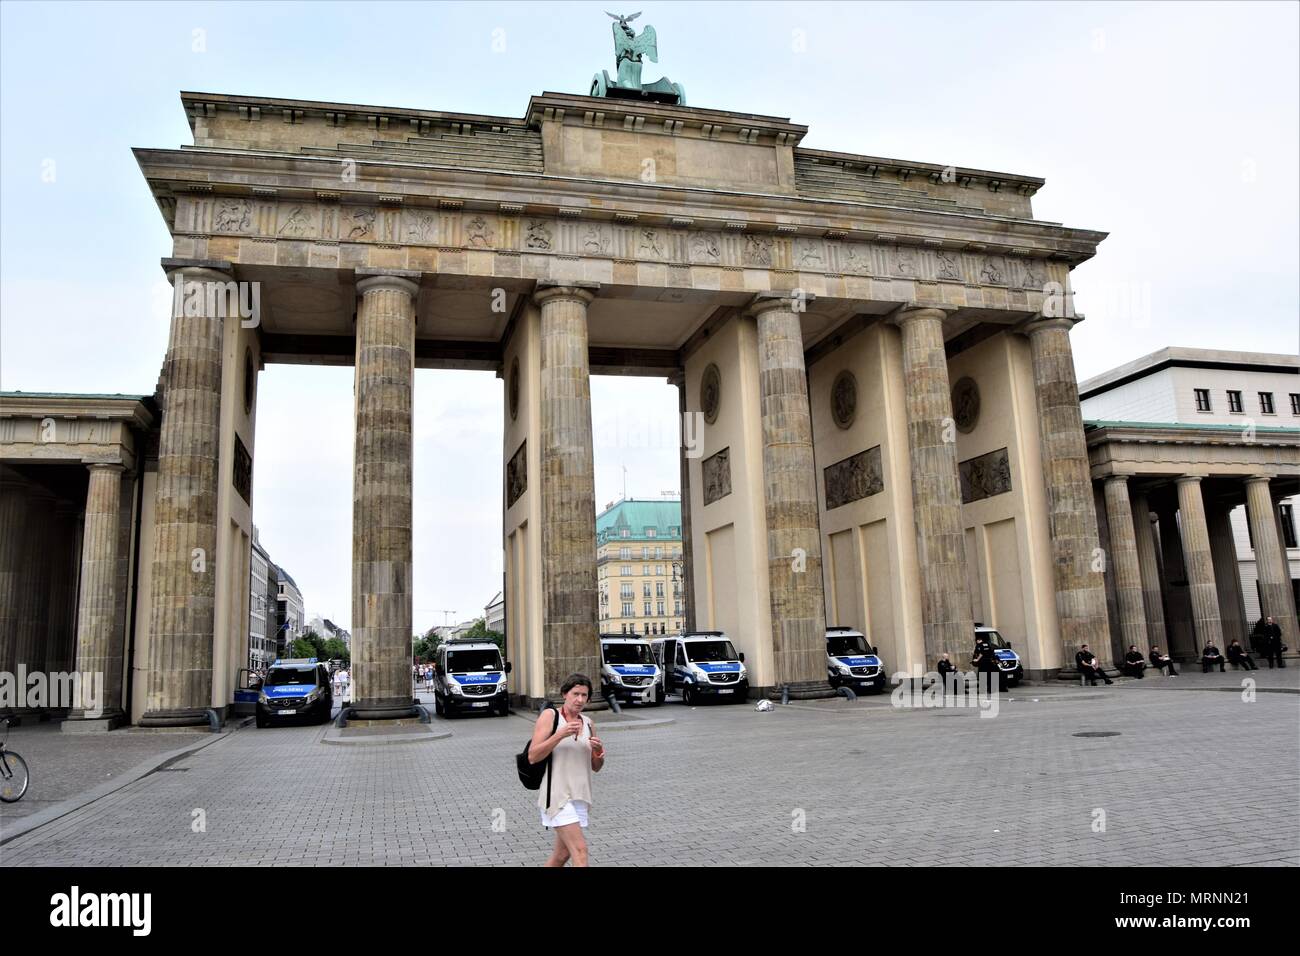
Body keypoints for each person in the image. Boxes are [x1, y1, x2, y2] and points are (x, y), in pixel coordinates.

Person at [528, 674, 605, 867]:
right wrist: (560, 735)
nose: (580, 700)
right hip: (557, 796)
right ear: (565, 694)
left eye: (584, 695)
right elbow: (533, 756)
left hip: (580, 795)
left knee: (561, 857)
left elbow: (596, 767)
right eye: (575, 694)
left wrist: (598, 753)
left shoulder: (588, 723)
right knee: (580, 850)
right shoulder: (550, 716)